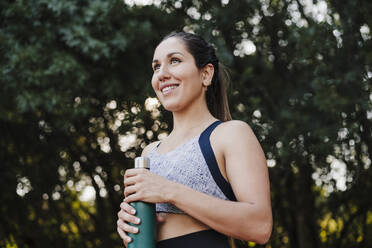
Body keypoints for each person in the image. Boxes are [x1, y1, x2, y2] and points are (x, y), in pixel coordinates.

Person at [117, 31, 272, 248]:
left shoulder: (231, 134)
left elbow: (260, 227)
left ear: (206, 74)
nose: (162, 74)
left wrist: (169, 191)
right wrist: (130, 225)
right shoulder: (148, 153)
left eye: (175, 61)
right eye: (156, 67)